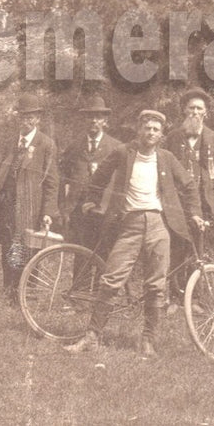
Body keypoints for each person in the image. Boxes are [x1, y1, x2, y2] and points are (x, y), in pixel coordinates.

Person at [64, 110, 202, 357]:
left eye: (155, 130)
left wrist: (195, 213)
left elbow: (189, 185)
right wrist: (92, 200)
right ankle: (92, 337)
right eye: (146, 128)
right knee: (110, 280)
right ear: (139, 130)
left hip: (158, 225)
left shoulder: (167, 158)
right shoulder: (123, 153)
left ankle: (148, 341)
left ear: (161, 135)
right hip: (129, 224)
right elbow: (99, 176)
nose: (150, 133)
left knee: (155, 286)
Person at [0, 93, 59, 303]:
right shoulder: (11, 143)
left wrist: (48, 212)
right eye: (23, 116)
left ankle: (28, 294)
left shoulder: (45, 144)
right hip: (7, 205)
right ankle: (10, 290)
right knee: (9, 247)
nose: (26, 121)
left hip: (31, 206)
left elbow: (52, 182)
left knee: (29, 249)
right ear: (18, 118)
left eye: (31, 117)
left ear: (38, 119)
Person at [162, 87, 214, 305]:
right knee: (176, 248)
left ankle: (196, 300)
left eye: (199, 108)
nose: (195, 112)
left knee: (198, 251)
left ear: (206, 112)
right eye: (191, 108)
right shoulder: (173, 137)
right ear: (184, 110)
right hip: (176, 204)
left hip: (203, 204)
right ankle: (174, 297)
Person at [58, 95, 123, 251]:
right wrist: (64, 207)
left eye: (98, 117)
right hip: (79, 211)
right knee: (81, 256)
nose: (94, 120)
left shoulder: (116, 147)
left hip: (103, 211)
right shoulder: (75, 146)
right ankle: (81, 276)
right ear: (84, 120)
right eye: (90, 116)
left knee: (102, 254)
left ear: (105, 121)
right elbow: (63, 177)